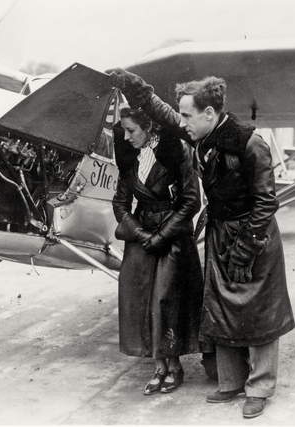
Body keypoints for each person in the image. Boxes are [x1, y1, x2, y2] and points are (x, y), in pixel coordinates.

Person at [109, 70, 295, 419]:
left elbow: (267, 202)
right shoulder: (202, 137)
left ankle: (259, 387)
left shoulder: (249, 143)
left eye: (187, 115)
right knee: (221, 305)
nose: (182, 122)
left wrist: (247, 245)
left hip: (252, 235)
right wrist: (136, 89)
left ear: (209, 114)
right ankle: (231, 382)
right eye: (182, 115)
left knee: (259, 311)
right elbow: (161, 113)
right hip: (220, 232)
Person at [112, 107, 204, 395]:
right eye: (125, 131)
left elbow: (191, 201)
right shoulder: (130, 158)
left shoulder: (178, 151)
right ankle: (159, 366)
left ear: (149, 126)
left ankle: (174, 366)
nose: (126, 137)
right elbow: (120, 203)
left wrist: (162, 236)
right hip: (142, 235)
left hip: (172, 235)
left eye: (131, 130)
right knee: (140, 298)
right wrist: (139, 233)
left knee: (165, 300)